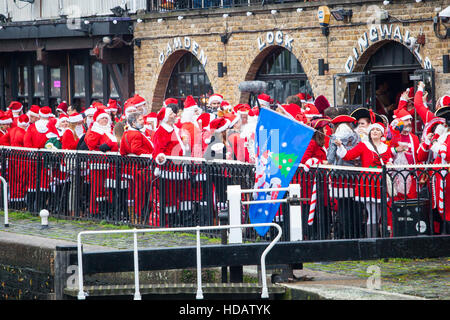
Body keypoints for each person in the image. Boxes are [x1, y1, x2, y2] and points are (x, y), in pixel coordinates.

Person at [335, 122, 393, 237]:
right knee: (372, 213)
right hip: (369, 183)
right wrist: (340, 146)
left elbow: (388, 162)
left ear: (382, 133)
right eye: (372, 130)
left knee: (382, 213)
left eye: (377, 130)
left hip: (382, 184)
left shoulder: (386, 147)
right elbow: (348, 156)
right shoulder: (364, 145)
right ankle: (372, 240)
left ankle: (382, 239)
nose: (375, 132)